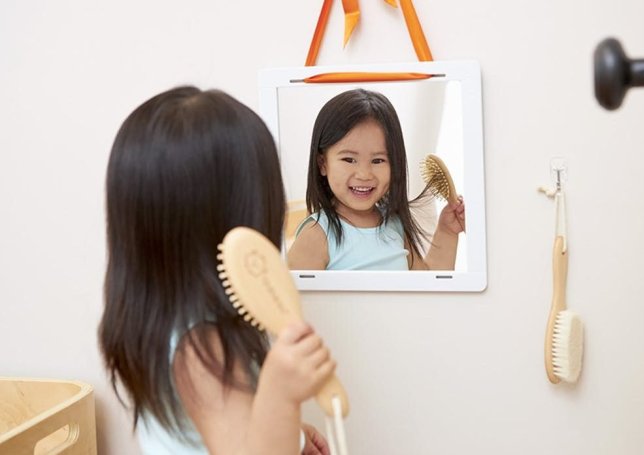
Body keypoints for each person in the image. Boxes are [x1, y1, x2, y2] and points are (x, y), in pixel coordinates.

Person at [99, 86, 334, 455]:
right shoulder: (204, 349)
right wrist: (281, 398)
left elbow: (217, 429)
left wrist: (288, 430)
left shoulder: (170, 323)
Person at [287, 88, 465, 271]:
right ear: (323, 163)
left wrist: (447, 231)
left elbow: (428, 290)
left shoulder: (394, 225)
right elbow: (292, 299)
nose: (364, 174)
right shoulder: (316, 234)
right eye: (349, 159)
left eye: (378, 160)